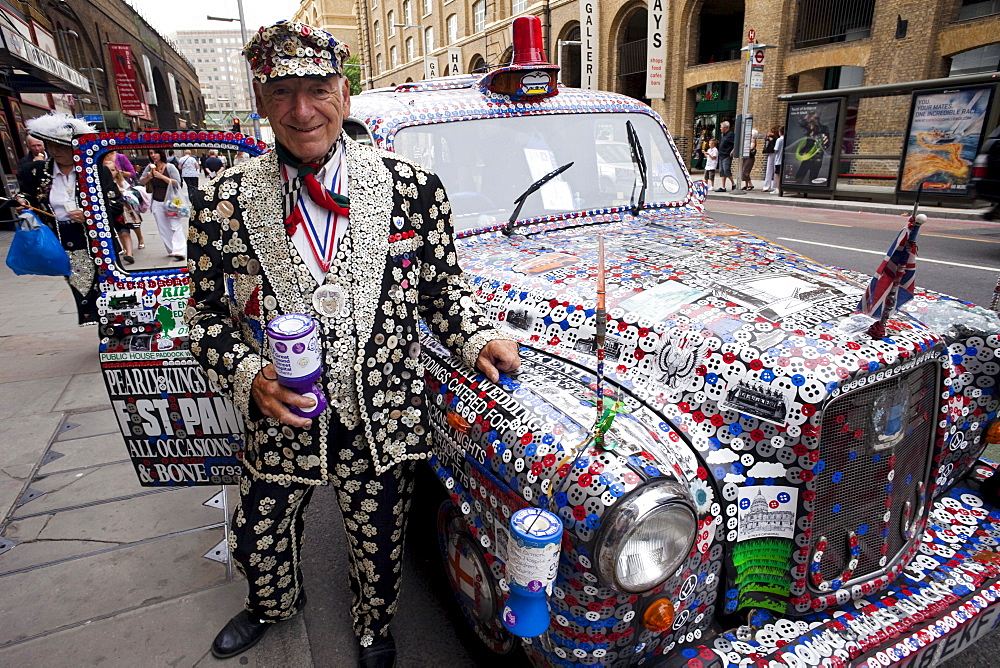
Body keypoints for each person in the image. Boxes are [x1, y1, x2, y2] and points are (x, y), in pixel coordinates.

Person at [187, 20, 520, 667]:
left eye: (317, 89)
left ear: (344, 92)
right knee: (258, 534)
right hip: (281, 420)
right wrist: (250, 374)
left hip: (382, 419)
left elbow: (444, 294)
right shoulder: (220, 202)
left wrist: (478, 335)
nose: (302, 110)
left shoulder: (412, 190)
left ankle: (374, 627)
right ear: (260, 100)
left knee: (379, 540)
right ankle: (271, 605)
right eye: (283, 92)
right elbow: (200, 319)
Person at [15, 112, 122, 324]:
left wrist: (91, 215)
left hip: (96, 238)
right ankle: (102, 328)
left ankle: (115, 329)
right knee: (82, 289)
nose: (55, 151)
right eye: (50, 145)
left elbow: (116, 205)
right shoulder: (34, 172)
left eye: (62, 146)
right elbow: (25, 195)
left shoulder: (96, 171)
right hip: (62, 239)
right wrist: (22, 203)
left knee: (111, 289)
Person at [138, 148, 185, 260]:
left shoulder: (170, 167)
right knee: (163, 227)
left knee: (175, 226)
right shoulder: (149, 168)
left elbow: (177, 183)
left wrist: (162, 177)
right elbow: (141, 181)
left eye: (156, 153)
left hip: (173, 200)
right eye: (151, 153)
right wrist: (148, 177)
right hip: (157, 200)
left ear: (161, 153)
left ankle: (180, 251)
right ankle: (171, 250)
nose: (154, 155)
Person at [103, 154, 139, 264]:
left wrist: (124, 192)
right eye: (108, 170)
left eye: (113, 170)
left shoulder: (120, 181)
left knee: (125, 232)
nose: (111, 173)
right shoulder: (103, 184)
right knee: (119, 233)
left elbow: (130, 191)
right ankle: (124, 248)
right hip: (110, 210)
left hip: (123, 210)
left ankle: (129, 253)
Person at [107, 150, 144, 248]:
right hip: (111, 198)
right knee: (119, 225)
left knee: (133, 221)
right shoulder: (100, 157)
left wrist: (120, 173)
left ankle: (140, 239)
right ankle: (125, 246)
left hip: (125, 199)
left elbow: (132, 174)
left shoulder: (120, 157)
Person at [717, 120, 735, 192]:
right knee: (722, 171)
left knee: (726, 170)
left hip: (727, 155)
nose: (720, 128)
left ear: (726, 127)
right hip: (721, 154)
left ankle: (733, 184)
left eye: (721, 127)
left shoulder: (731, 134)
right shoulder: (723, 135)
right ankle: (723, 187)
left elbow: (735, 144)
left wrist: (732, 151)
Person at [761, 126, 779, 192]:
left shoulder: (777, 138)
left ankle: (771, 186)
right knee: (771, 170)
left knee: (773, 170)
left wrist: (773, 138)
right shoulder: (772, 138)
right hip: (771, 153)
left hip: (774, 153)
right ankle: (769, 186)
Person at [773, 126, 784, 193]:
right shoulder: (786, 139)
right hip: (783, 160)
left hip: (778, 160)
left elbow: (776, 150)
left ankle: (778, 188)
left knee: (778, 175)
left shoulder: (779, 140)